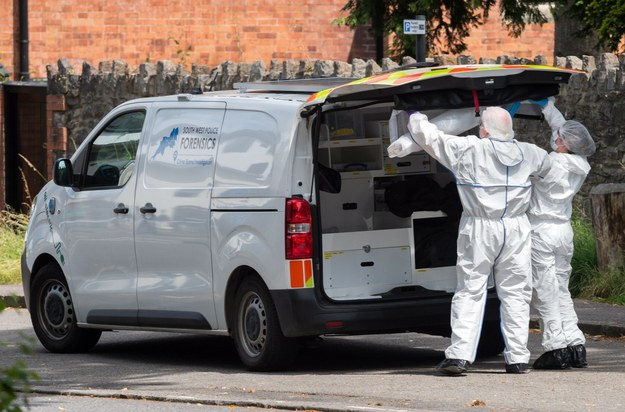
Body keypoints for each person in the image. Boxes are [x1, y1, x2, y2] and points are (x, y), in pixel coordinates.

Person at [389, 107, 552, 375]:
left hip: (479, 227)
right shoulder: (532, 152)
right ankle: (518, 358)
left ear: (484, 129)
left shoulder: (469, 149)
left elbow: (431, 137)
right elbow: (550, 173)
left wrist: (414, 113)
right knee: (516, 293)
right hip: (516, 228)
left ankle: (460, 356)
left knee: (471, 290)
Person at [528, 97, 595, 369]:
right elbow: (564, 129)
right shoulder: (580, 163)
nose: (553, 136)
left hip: (541, 230)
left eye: (558, 137)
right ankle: (575, 344)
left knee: (544, 290)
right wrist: (548, 108)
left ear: (564, 143)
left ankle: (555, 347)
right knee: (561, 289)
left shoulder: (549, 163)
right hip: (563, 232)